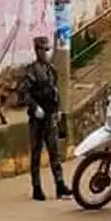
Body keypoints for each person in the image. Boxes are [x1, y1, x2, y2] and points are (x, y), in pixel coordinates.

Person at [18, 36, 71, 201]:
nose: (45, 53)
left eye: (47, 50)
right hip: (37, 118)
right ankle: (37, 187)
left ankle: (60, 185)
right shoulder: (31, 71)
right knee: (36, 153)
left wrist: (58, 110)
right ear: (36, 50)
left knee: (55, 152)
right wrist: (34, 107)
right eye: (42, 50)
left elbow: (55, 91)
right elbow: (23, 94)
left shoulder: (51, 69)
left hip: (50, 115)